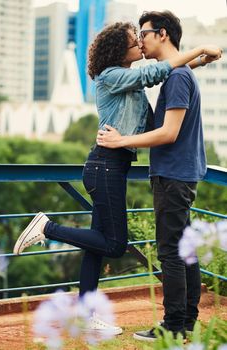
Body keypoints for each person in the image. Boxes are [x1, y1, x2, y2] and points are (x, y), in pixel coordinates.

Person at [13, 21, 221, 335]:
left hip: (113, 167)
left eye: (141, 37)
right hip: (104, 166)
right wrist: (200, 49)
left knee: (96, 246)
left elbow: (167, 73)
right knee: (113, 244)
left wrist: (199, 63)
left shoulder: (129, 82)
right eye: (132, 40)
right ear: (118, 49)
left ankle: (84, 316)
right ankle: (47, 227)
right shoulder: (111, 76)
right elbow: (153, 73)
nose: (139, 42)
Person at [96, 11, 222, 340]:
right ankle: (186, 323)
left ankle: (174, 324)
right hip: (178, 173)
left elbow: (167, 133)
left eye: (144, 33)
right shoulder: (177, 74)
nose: (140, 40)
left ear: (162, 34)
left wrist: (122, 140)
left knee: (170, 251)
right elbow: (166, 75)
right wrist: (197, 59)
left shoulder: (178, 77)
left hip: (173, 175)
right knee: (183, 249)